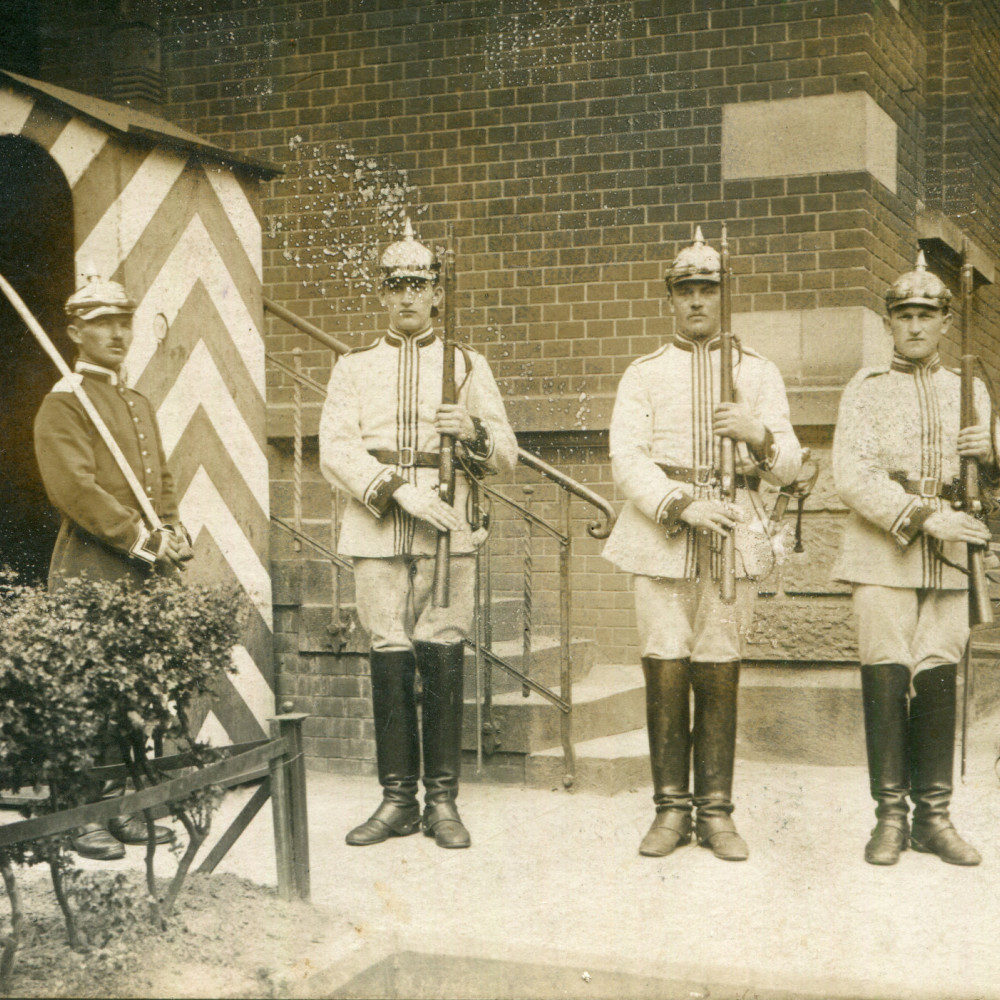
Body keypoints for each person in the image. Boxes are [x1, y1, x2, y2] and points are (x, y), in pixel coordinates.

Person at [603, 227, 802, 861]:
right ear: (669, 297)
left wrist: (757, 433)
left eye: (707, 289)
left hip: (734, 534)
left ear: (723, 296)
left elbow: (792, 464)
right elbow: (627, 459)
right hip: (663, 534)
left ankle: (716, 812)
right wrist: (683, 505)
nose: (695, 301)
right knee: (665, 657)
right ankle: (669, 810)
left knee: (719, 660)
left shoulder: (758, 373)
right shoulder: (645, 373)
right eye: (684, 290)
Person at [319, 221, 518, 849]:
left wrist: (475, 431)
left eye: (418, 283)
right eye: (394, 284)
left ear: (437, 292)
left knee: (442, 650)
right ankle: (397, 800)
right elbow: (335, 450)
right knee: (389, 652)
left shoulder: (464, 363)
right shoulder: (353, 366)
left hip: (448, 527)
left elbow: (507, 453)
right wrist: (398, 491)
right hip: (378, 525)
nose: (406, 296)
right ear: (381, 294)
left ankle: (442, 803)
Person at [832, 251, 995, 866]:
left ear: (946, 323)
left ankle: (935, 817)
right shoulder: (867, 388)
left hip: (951, 559)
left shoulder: (969, 389)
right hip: (883, 552)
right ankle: (891, 819)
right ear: (890, 323)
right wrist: (927, 516)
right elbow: (852, 475)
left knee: (937, 675)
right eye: (904, 315)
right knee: (887, 672)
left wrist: (995, 450)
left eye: (928, 314)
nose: (916, 326)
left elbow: (992, 490)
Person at [33, 272, 193, 861]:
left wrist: (172, 532)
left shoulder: (136, 402)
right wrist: (143, 539)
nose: (118, 333)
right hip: (94, 569)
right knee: (92, 694)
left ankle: (123, 808)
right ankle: (81, 817)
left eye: (124, 321)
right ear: (76, 331)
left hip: (142, 573)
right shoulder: (64, 403)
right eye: (103, 323)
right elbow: (73, 489)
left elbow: (161, 480)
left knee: (136, 692)